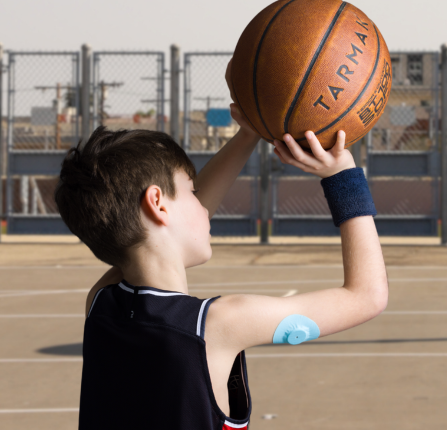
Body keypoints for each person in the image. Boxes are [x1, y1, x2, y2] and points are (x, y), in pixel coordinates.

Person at [55, 60, 388, 430]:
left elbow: (149, 233)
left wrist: (248, 135)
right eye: (193, 192)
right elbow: (367, 296)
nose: (204, 206)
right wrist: (342, 177)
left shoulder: (102, 305)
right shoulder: (216, 325)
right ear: (157, 204)